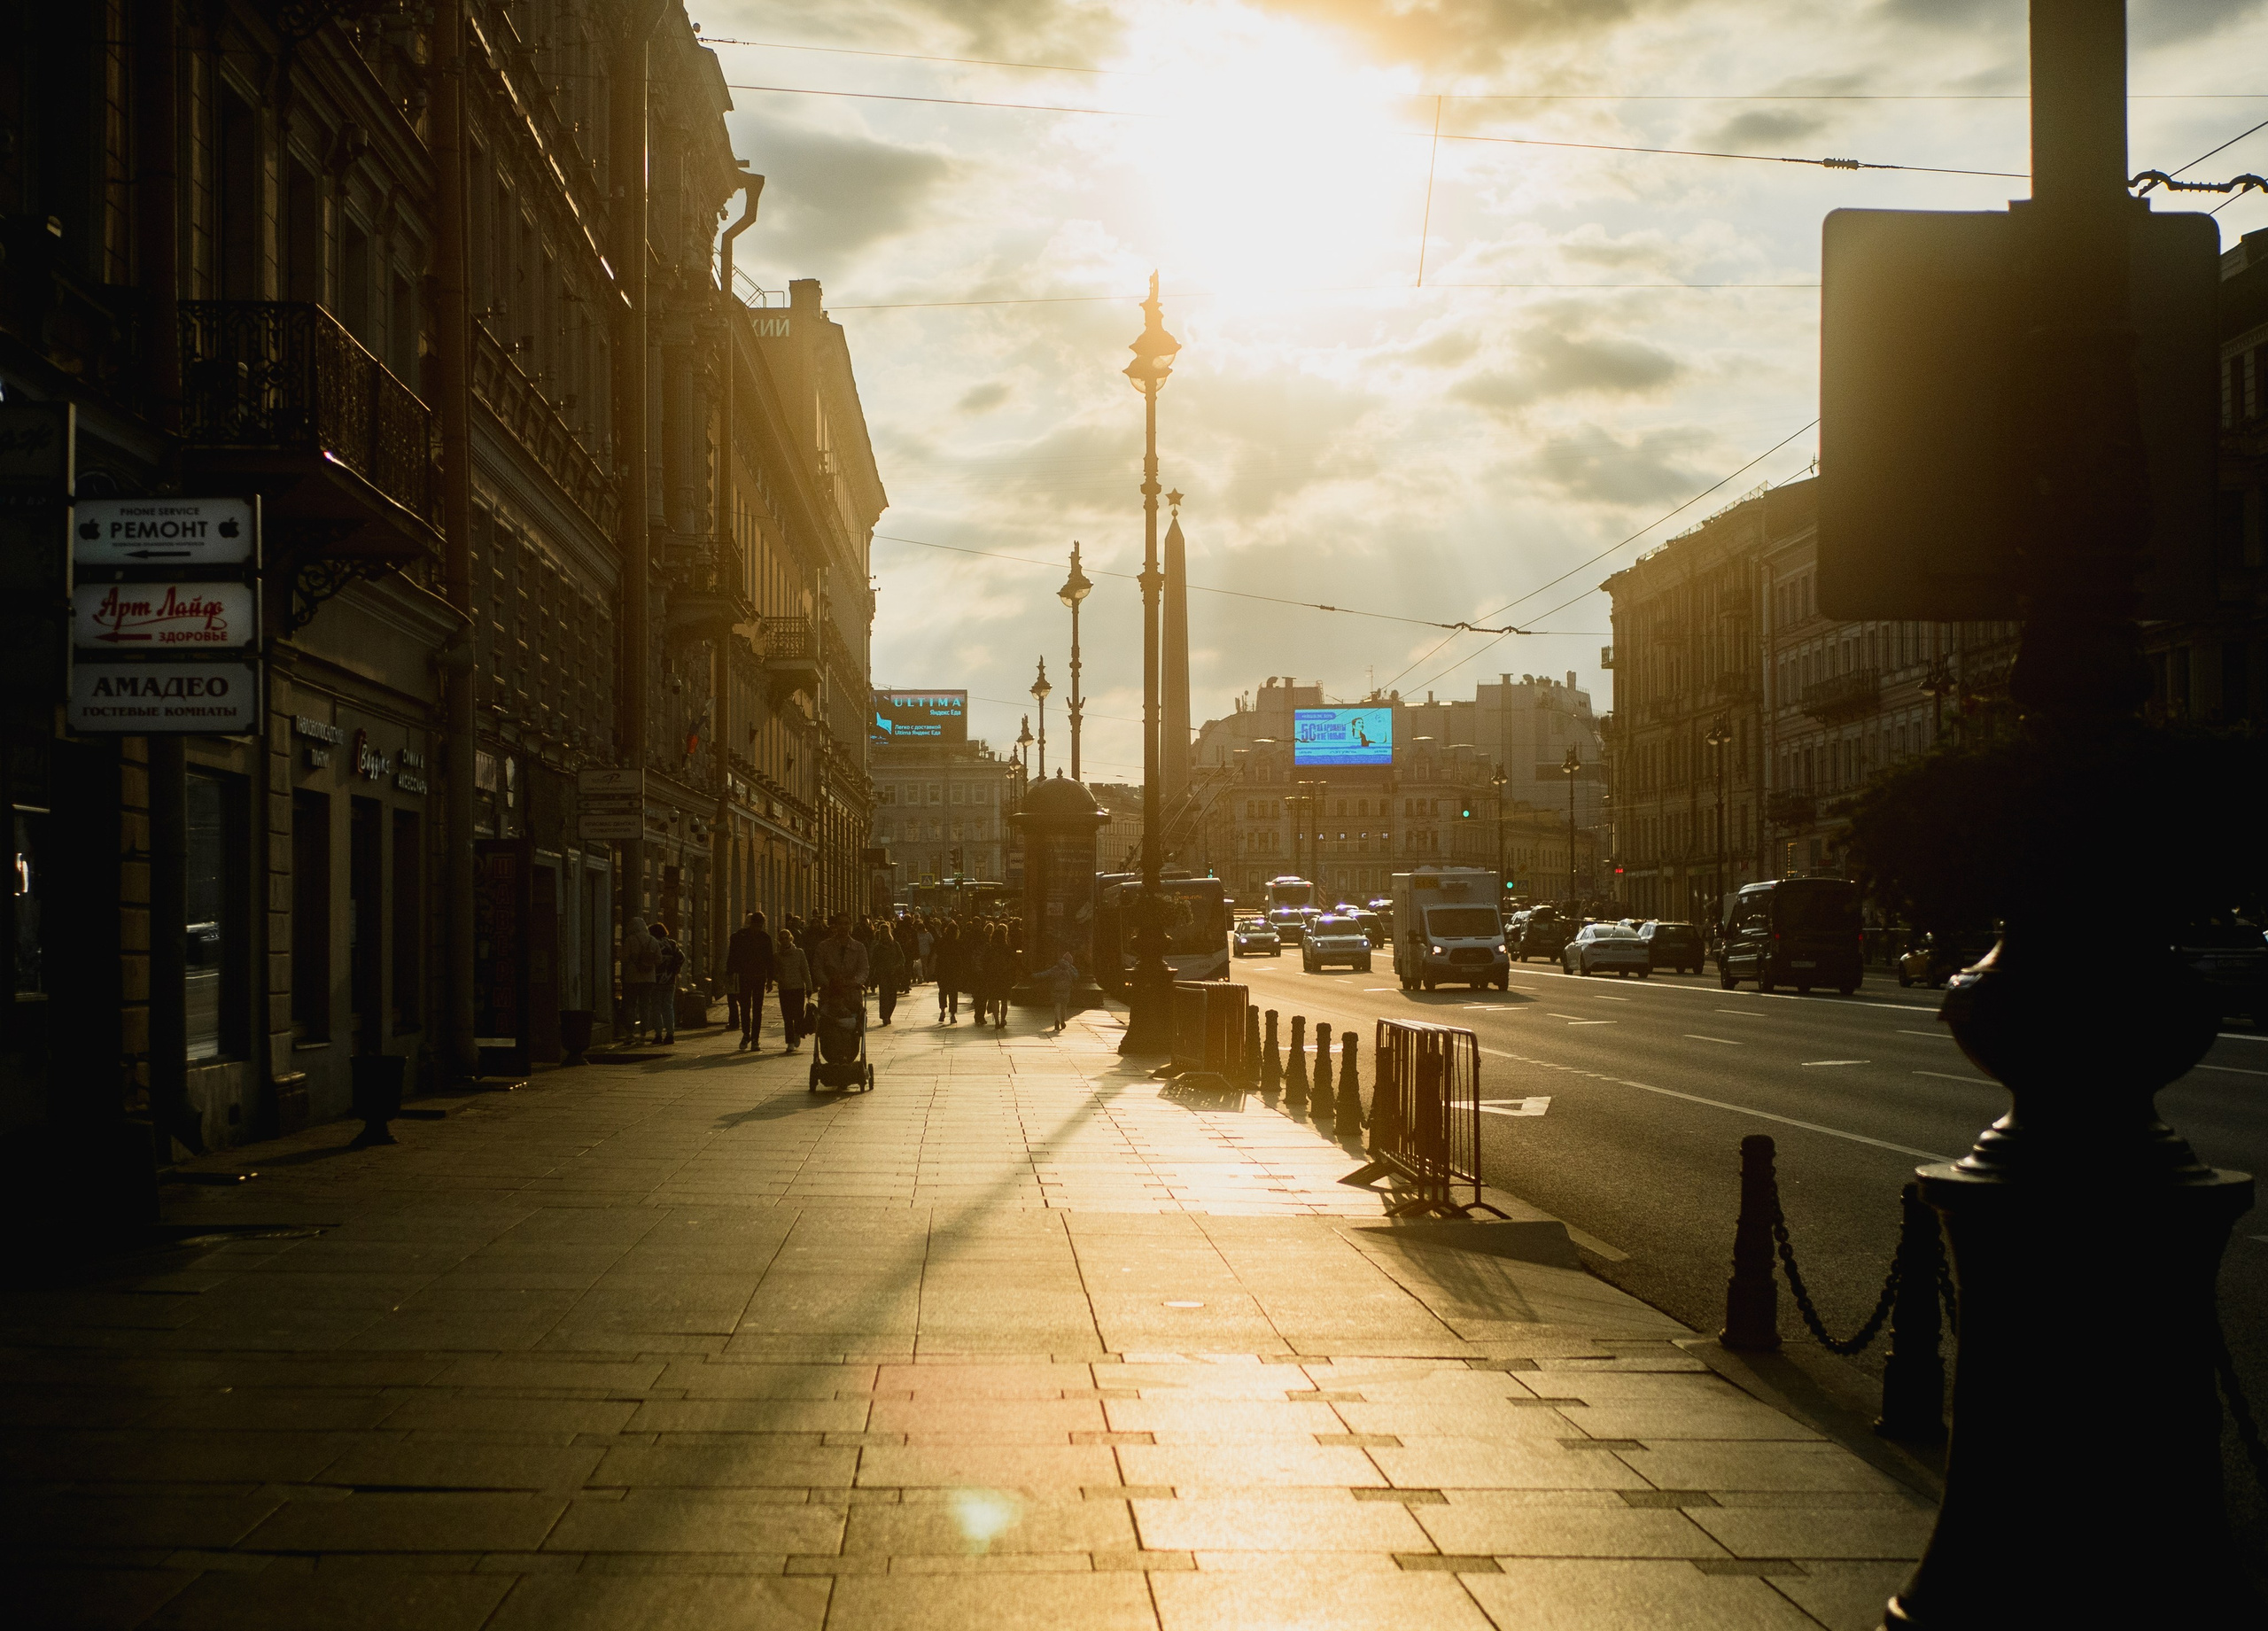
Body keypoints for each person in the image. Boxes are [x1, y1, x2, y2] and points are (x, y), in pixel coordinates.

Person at [726, 911, 774, 1052]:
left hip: (759, 977)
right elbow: (732, 956)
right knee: (745, 1008)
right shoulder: (739, 937)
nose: (757, 928)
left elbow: (769, 960)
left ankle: (755, 1038)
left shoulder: (765, 938)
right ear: (751, 923)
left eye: (760, 926)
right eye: (756, 925)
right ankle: (746, 1034)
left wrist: (770, 980)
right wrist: (730, 974)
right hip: (744, 977)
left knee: (758, 1009)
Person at [774, 928, 812, 1053]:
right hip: (784, 988)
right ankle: (790, 1042)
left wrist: (809, 986)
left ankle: (797, 1033)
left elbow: (805, 970)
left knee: (798, 1015)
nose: (784, 940)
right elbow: (775, 971)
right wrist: (778, 978)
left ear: (791, 939)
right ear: (779, 941)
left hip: (798, 988)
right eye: (782, 938)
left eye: (786, 938)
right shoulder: (777, 956)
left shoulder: (799, 953)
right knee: (787, 1017)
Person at [622, 918, 657, 1042]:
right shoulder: (652, 940)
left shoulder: (630, 940)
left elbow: (624, 958)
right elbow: (659, 959)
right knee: (645, 1005)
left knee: (631, 1005)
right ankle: (643, 1032)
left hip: (632, 978)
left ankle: (630, 1032)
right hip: (649, 978)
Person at [649, 920, 684, 1044]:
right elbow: (682, 957)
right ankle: (670, 1034)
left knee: (656, 1008)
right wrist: (675, 969)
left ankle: (658, 1035)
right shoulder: (672, 944)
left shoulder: (654, 944)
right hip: (670, 981)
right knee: (668, 1007)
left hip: (656, 981)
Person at [983, 926, 1019, 1029]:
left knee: (994, 999)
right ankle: (1003, 1019)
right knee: (1004, 1001)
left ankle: (997, 1021)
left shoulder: (990, 949)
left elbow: (985, 963)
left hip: (992, 977)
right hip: (1005, 977)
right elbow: (1015, 961)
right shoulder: (1007, 948)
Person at [868, 922, 904, 1026]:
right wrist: (871, 975)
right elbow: (873, 962)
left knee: (892, 997)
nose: (884, 934)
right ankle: (884, 1016)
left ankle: (888, 1014)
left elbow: (901, 958)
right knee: (884, 996)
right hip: (882, 974)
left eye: (886, 932)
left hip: (893, 974)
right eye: (882, 932)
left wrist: (896, 966)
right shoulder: (877, 947)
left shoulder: (895, 945)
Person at [1045, 949, 1078, 1033]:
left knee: (1057, 1006)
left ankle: (1057, 1020)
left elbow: (1046, 973)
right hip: (1066, 989)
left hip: (1056, 989)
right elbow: (1076, 976)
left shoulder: (1056, 968)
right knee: (1064, 1007)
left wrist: (1032, 976)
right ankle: (1063, 1022)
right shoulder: (1071, 968)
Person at [933, 923, 961, 1023]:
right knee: (953, 993)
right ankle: (952, 1015)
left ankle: (942, 1011)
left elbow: (937, 954)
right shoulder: (957, 942)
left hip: (942, 969)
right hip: (953, 970)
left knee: (943, 991)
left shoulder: (941, 940)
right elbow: (960, 957)